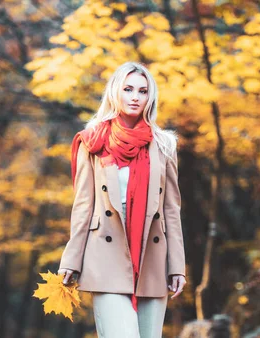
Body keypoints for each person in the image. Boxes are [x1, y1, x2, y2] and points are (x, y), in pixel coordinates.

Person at [57, 61, 187, 338]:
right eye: (128, 89)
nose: (135, 97)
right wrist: (71, 260)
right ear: (115, 92)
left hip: (151, 254)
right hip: (106, 252)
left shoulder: (163, 145)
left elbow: (171, 210)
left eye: (143, 91)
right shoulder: (92, 142)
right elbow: (83, 205)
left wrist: (177, 266)